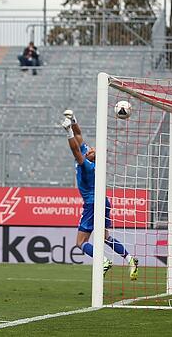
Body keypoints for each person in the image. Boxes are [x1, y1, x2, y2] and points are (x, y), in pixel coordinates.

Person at [60, 110, 138, 280]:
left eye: (93, 151)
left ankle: (102, 260)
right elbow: (79, 136)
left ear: (94, 158)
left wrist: (68, 132)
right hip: (103, 201)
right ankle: (130, 258)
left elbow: (75, 150)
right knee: (104, 236)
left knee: (80, 242)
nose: (91, 148)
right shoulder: (89, 156)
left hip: (92, 203)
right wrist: (74, 121)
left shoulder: (87, 166)